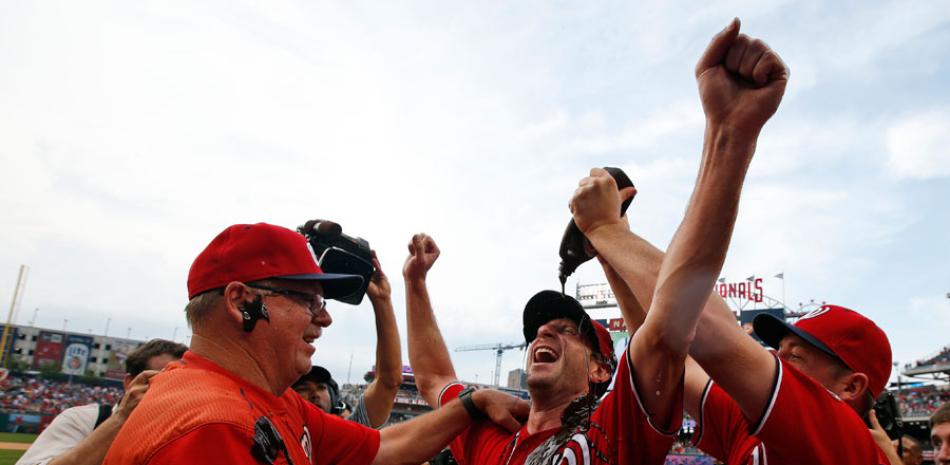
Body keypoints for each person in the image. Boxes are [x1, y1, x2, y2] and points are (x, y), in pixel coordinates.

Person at [401, 21, 782, 459]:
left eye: (568, 330)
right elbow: (432, 380)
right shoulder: (492, 436)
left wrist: (727, 134)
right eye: (541, 330)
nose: (544, 331)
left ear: (602, 369)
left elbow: (672, 326)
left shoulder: (617, 429)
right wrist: (414, 284)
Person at [576, 20, 894, 465]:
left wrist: (603, 230)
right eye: (781, 348)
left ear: (851, 387)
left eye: (795, 355)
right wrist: (614, 252)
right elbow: (674, 350)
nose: (775, 356)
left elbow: (703, 325)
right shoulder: (750, 427)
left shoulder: (852, 450)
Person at [102, 222, 528, 465]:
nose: (324, 317)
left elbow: (383, 447)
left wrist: (471, 404)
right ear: (241, 301)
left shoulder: (266, 399)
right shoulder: (213, 427)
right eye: (307, 300)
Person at [17, 339, 187, 465]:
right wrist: (121, 419)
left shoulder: (186, 432)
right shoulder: (84, 419)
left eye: (181, 382)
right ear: (129, 383)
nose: (170, 390)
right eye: (159, 379)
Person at [293, 251, 402, 428]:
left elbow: (389, 381)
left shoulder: (341, 437)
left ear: (335, 398)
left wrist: (382, 300)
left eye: (321, 387)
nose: (315, 395)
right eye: (303, 389)